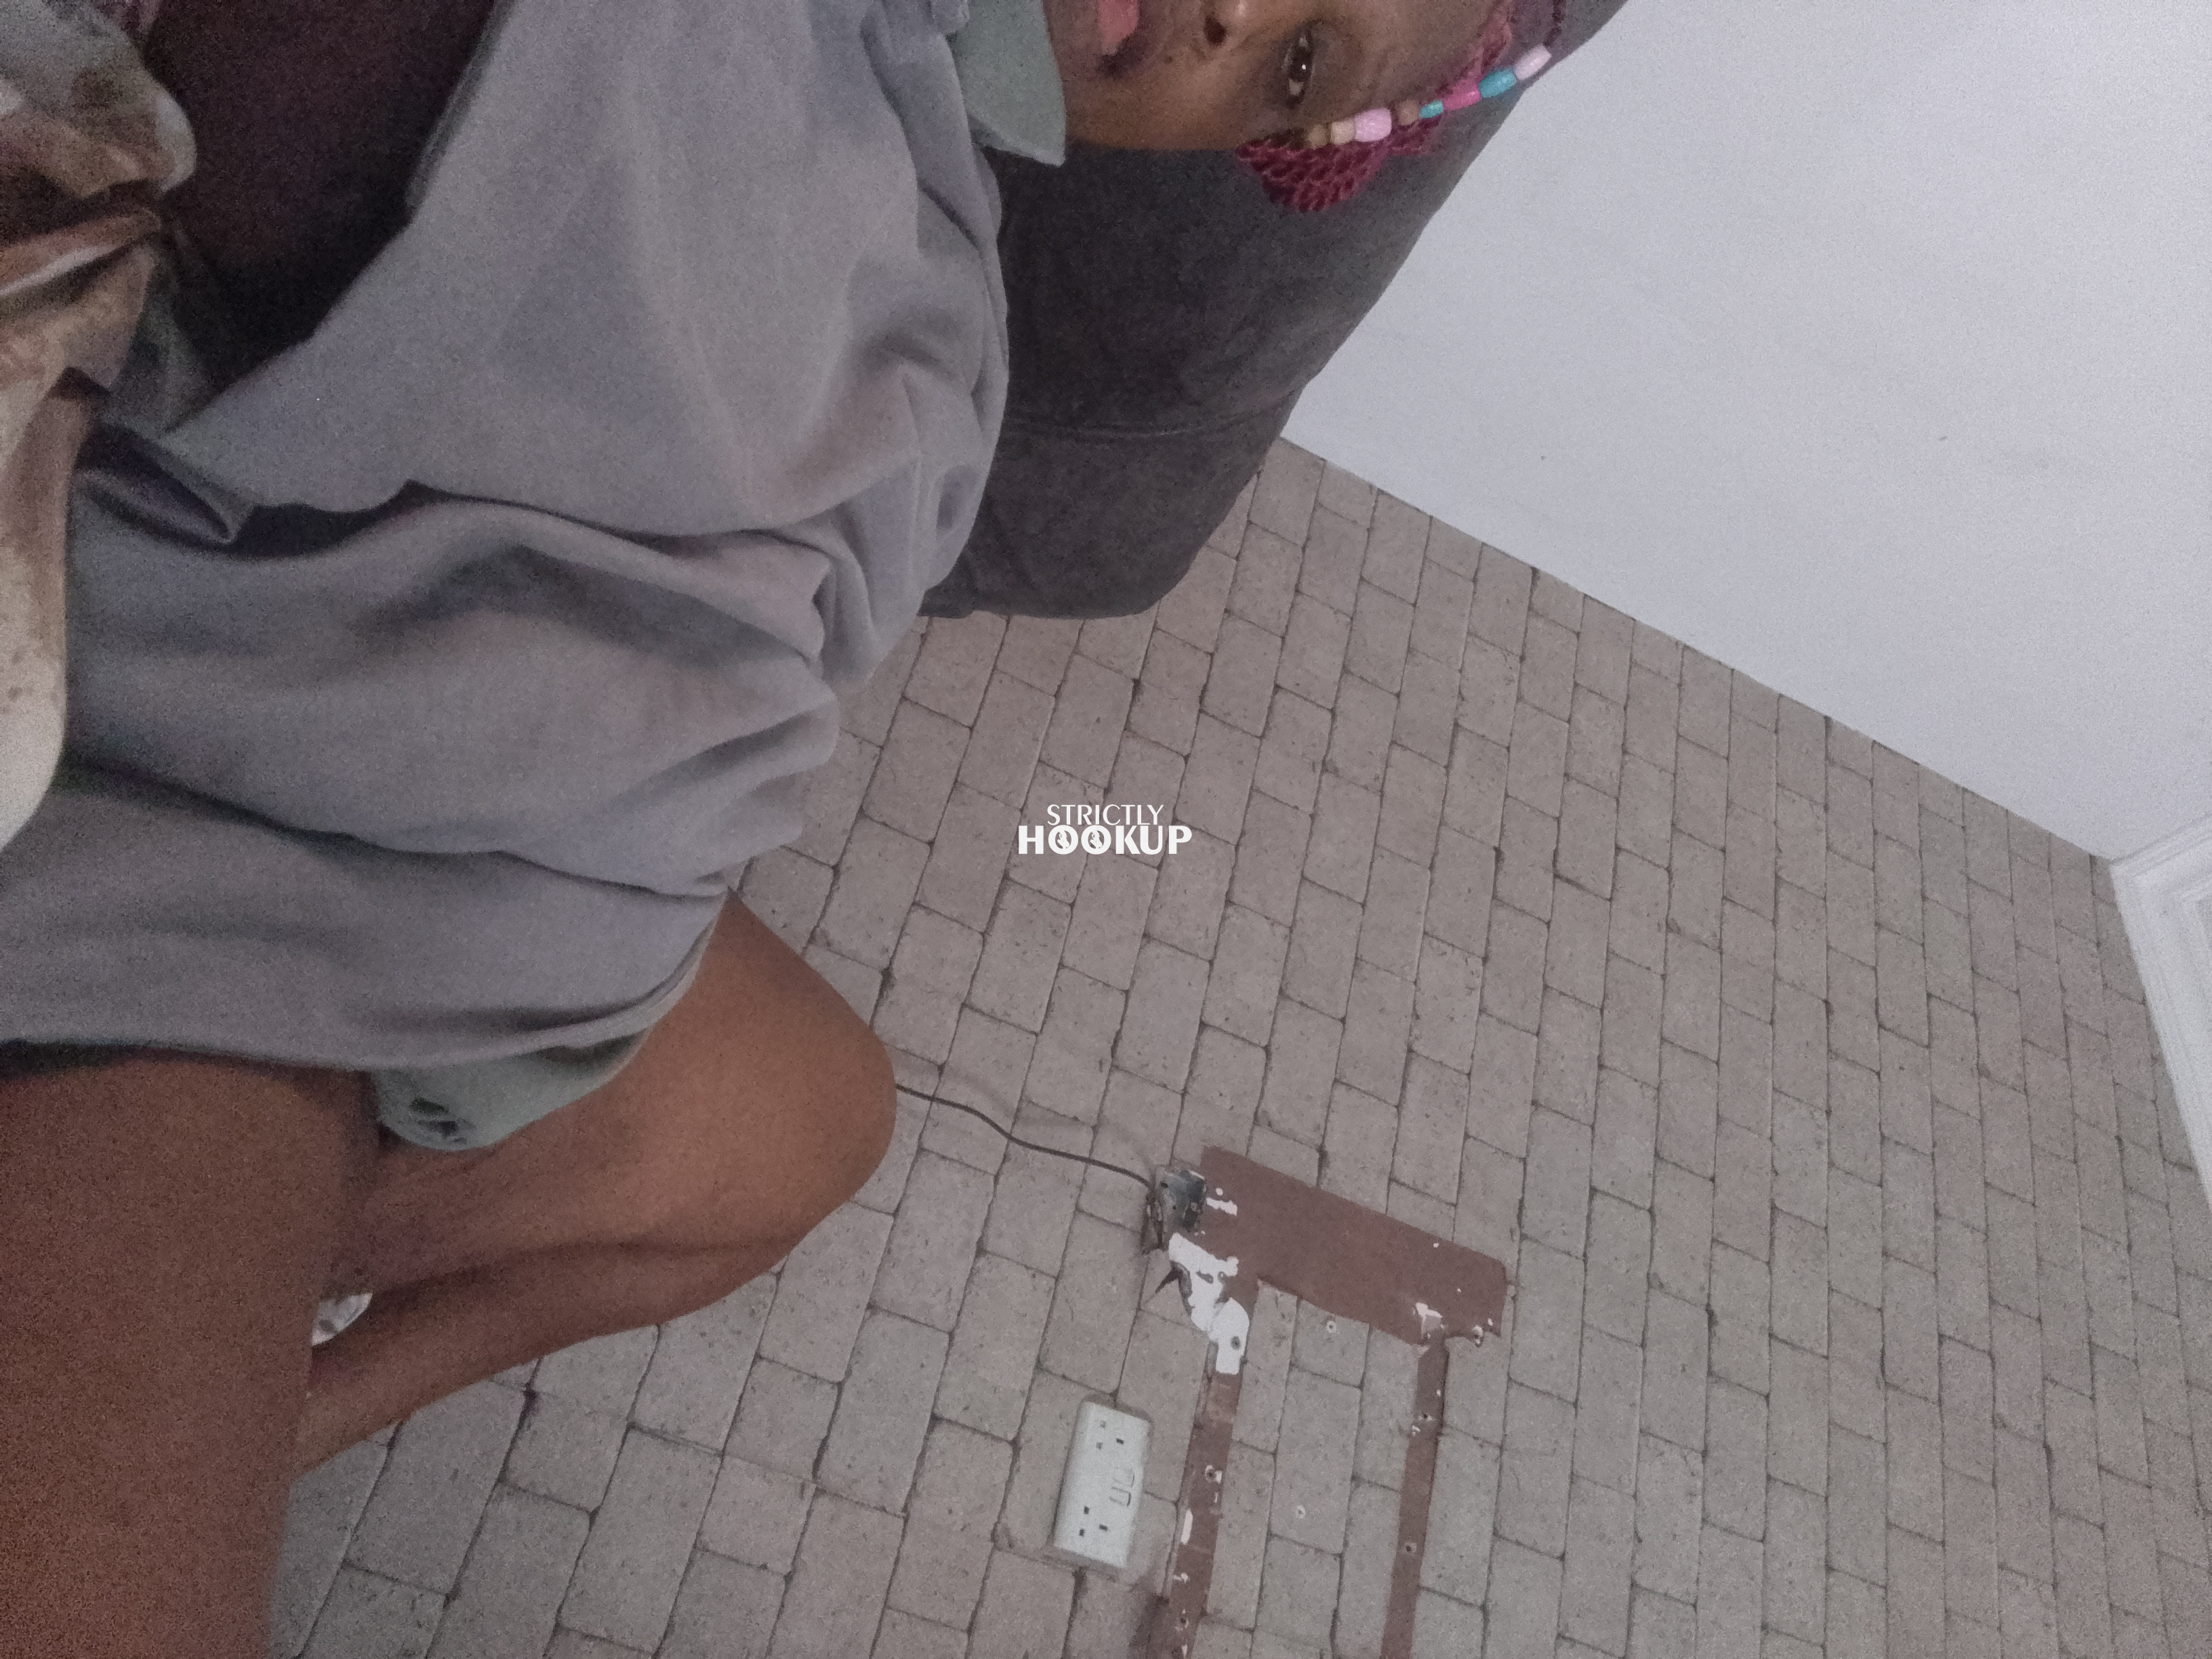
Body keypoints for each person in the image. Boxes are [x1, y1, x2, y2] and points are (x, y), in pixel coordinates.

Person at [0, 0, 1563, 1651]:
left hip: (472, 949)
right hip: (212, 900)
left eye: (1297, 63)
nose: (1238, 16)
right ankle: (192, 1434)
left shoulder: (937, 271)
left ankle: (263, 1435)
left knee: (816, 1123)